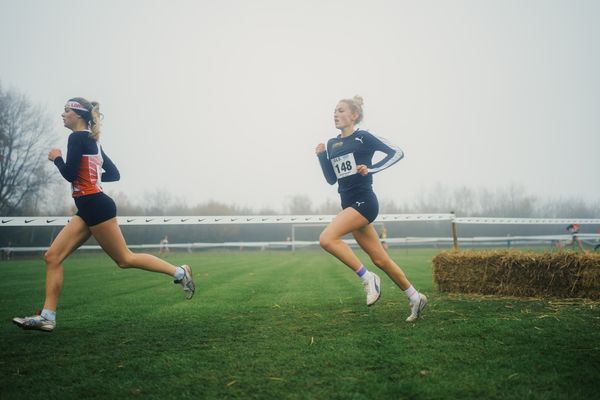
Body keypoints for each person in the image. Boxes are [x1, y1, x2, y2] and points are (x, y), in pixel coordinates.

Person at [13, 98, 195, 333]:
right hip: (90, 207)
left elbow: (69, 174)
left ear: (78, 115)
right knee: (52, 257)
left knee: (124, 259)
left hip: (96, 207)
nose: (62, 115)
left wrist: (56, 158)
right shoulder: (94, 142)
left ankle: (180, 272)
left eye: (66, 110)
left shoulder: (77, 138)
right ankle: (47, 317)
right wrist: (93, 178)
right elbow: (114, 174)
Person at [315, 95, 427, 322]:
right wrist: (321, 157)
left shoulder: (363, 137)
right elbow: (330, 179)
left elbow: (397, 152)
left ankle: (368, 278)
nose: (335, 114)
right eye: (334, 111)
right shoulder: (331, 144)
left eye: (340, 110)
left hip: (365, 202)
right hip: (349, 205)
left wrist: (372, 169)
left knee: (327, 239)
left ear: (354, 115)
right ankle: (415, 296)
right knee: (380, 258)